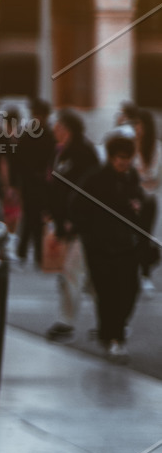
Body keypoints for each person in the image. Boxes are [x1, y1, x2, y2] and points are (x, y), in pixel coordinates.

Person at [77, 134, 150, 362]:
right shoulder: (95, 179)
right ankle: (114, 338)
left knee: (130, 288)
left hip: (126, 245)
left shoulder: (131, 177)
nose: (124, 163)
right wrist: (89, 234)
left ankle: (113, 331)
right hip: (100, 247)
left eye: (128, 159)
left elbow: (139, 202)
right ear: (110, 157)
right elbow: (78, 208)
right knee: (108, 294)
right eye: (120, 158)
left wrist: (137, 206)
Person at [44, 110, 100, 342]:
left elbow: (85, 190)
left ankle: (66, 322)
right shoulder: (64, 151)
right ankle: (109, 322)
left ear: (68, 128)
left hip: (81, 224)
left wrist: (71, 219)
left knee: (72, 272)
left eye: (58, 127)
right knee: (90, 277)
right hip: (70, 223)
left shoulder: (82, 152)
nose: (55, 131)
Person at [10, 98, 53, 265]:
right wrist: (15, 184)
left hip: (41, 183)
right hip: (31, 183)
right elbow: (17, 161)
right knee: (30, 216)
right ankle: (33, 254)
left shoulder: (46, 135)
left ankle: (29, 253)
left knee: (34, 217)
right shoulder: (29, 135)